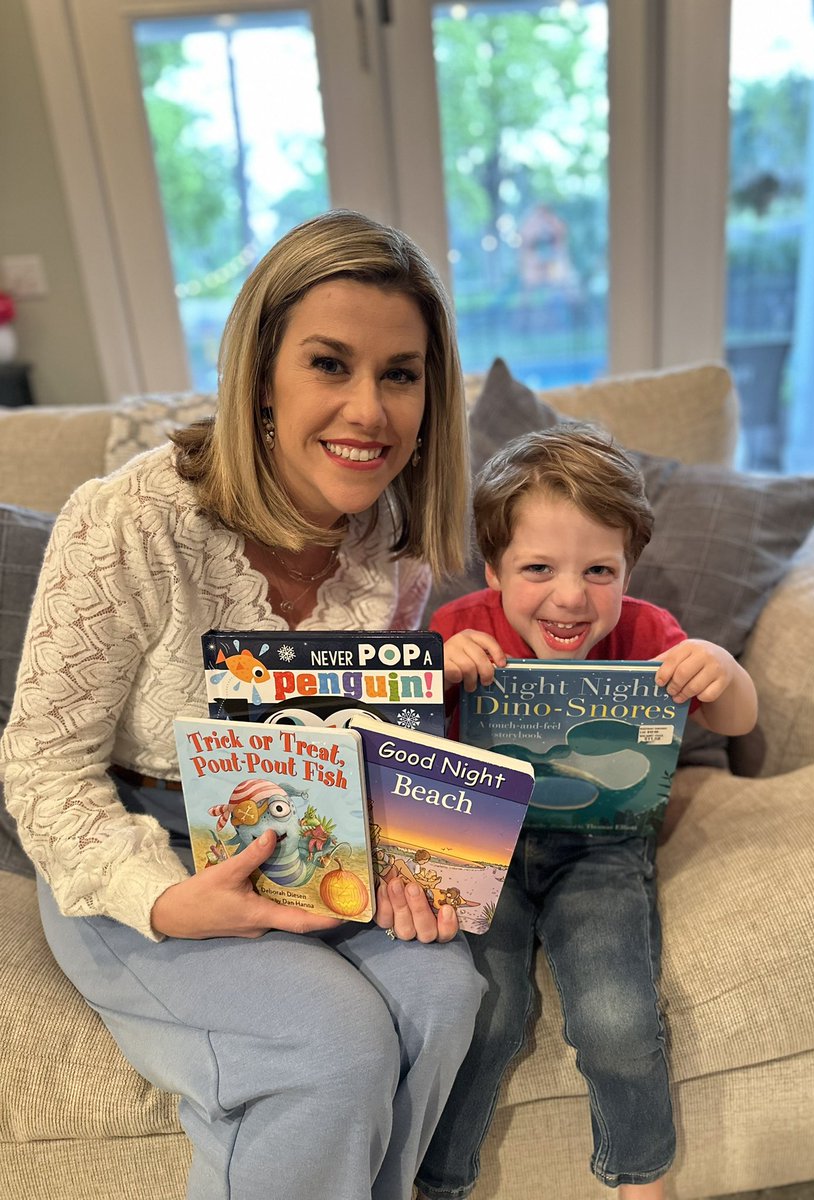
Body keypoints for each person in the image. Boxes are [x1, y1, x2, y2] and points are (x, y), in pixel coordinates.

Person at [0, 210, 487, 1200]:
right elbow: (42, 765)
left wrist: (407, 858)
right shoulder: (130, 521)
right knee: (332, 1046)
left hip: (310, 833)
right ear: (262, 373)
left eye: (400, 373)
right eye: (329, 364)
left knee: (445, 992)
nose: (369, 411)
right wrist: (169, 901)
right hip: (135, 839)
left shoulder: (392, 541)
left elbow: (360, 745)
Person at [416, 423, 758, 1200]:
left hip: (602, 846)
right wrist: (435, 673)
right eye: (538, 568)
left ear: (627, 567)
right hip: (478, 842)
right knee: (486, 1019)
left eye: (599, 569)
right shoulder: (456, 627)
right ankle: (438, 1183)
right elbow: (399, 744)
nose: (571, 596)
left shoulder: (646, 634)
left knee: (617, 1020)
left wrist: (722, 667)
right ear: (495, 566)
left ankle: (643, 1178)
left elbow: (735, 720)